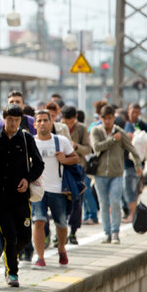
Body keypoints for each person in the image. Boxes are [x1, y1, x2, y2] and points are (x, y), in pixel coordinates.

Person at [0, 104, 43, 287]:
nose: (13, 123)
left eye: (17, 120)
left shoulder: (26, 138)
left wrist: (27, 179)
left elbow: (39, 164)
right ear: (4, 119)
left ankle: (11, 254)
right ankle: (12, 272)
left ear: (21, 120)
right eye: (10, 119)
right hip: (1, 197)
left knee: (25, 236)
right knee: (10, 236)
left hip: (22, 197)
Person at [30, 110, 79, 270]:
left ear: (51, 123)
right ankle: (40, 257)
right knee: (38, 221)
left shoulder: (61, 140)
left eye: (46, 120)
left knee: (61, 223)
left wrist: (65, 159)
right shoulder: (31, 142)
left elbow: (75, 158)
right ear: (35, 124)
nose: (43, 123)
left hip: (58, 189)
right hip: (38, 191)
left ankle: (62, 249)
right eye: (40, 121)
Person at [90, 105, 142, 244]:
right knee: (104, 203)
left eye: (110, 118)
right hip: (100, 174)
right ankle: (106, 233)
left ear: (113, 118)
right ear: (101, 118)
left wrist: (137, 163)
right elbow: (96, 147)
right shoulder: (96, 131)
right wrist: (113, 140)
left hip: (117, 174)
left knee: (115, 202)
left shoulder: (120, 131)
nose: (107, 121)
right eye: (104, 118)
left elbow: (131, 148)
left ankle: (115, 233)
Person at [60, 105, 92, 245]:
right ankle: (60, 231)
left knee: (77, 200)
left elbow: (88, 149)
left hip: (78, 169)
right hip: (61, 169)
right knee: (61, 200)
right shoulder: (58, 128)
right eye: (65, 122)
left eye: (70, 122)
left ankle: (73, 231)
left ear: (75, 118)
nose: (67, 125)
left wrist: (76, 146)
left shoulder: (82, 129)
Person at [122, 103, 147, 223]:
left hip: (137, 162)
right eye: (132, 112)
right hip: (126, 161)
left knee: (130, 189)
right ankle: (132, 213)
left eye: (137, 112)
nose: (134, 114)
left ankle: (133, 215)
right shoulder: (124, 124)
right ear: (128, 111)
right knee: (129, 189)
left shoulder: (143, 125)